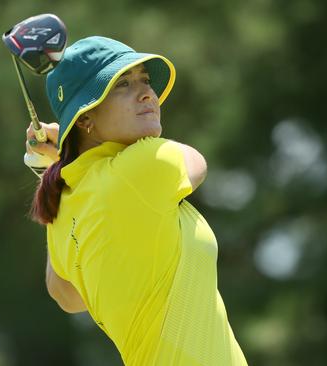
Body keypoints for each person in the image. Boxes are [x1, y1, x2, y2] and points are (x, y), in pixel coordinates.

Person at [25, 36, 248, 365]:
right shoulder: (139, 166)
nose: (147, 93)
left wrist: (52, 168)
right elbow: (196, 163)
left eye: (144, 80)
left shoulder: (65, 206)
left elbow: (67, 296)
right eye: (122, 84)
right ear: (85, 118)